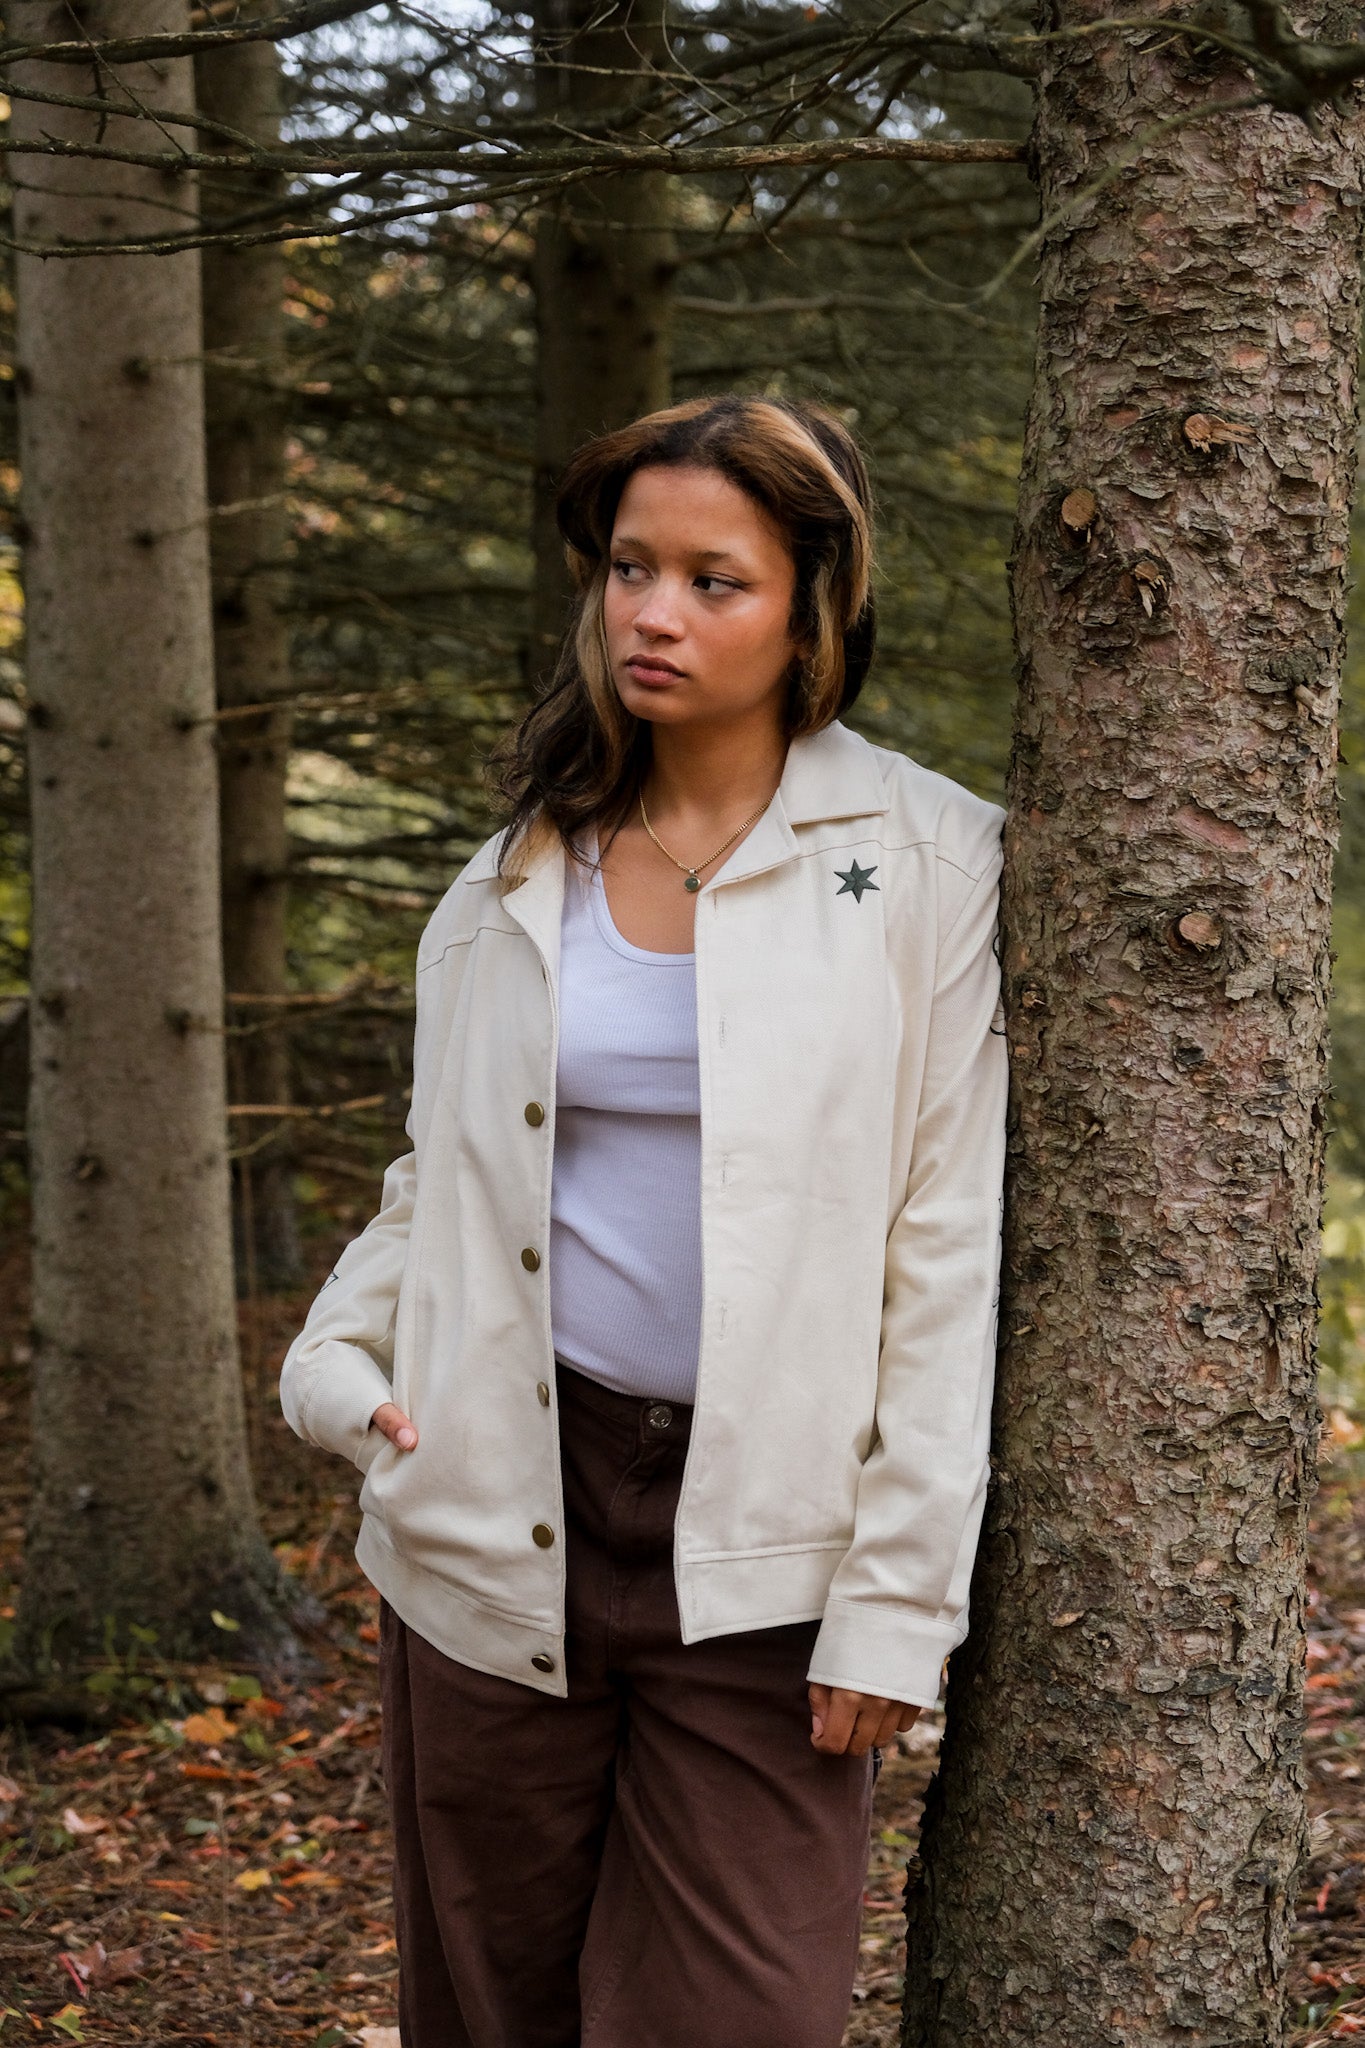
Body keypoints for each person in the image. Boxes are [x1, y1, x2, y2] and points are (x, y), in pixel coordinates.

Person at [279, 392, 1008, 2048]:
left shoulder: (928, 860)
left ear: (815, 609)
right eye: (628, 568)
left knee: (737, 2014)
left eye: (712, 580)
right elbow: (440, 1176)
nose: (651, 614)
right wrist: (334, 1359)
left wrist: (900, 1598)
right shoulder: (517, 868)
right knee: (492, 2010)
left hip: (767, 1547)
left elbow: (945, 1240)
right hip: (494, 1507)